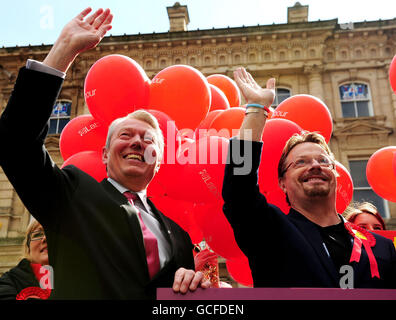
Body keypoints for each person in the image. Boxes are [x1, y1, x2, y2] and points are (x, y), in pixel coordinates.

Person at [0, 8, 209, 299]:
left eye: (148, 139)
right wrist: (64, 49)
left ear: (158, 162)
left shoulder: (180, 237)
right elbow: (15, 142)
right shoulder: (71, 196)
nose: (137, 142)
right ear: (104, 154)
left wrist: (191, 285)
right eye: (125, 135)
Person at [222, 67, 396, 288]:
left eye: (323, 161)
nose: (314, 165)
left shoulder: (382, 248)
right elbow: (238, 190)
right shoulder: (270, 230)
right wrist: (257, 110)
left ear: (335, 174)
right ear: (282, 183)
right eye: (300, 162)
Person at [0, 220, 52, 300]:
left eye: (51, 233)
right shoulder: (9, 280)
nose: (45, 238)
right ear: (28, 248)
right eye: (37, 234)